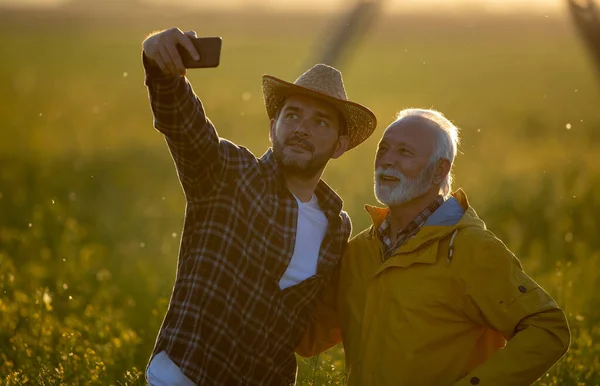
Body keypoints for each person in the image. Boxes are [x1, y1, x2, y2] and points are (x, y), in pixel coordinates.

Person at [140, 28, 377, 385]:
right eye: (293, 115)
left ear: (340, 145)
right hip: (184, 375)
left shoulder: (336, 226)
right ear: (272, 127)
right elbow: (182, 123)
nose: (301, 128)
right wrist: (159, 65)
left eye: (320, 121)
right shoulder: (227, 173)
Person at [297, 108, 571, 385]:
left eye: (405, 152)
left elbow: (548, 329)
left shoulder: (471, 249)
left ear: (440, 169)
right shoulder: (359, 252)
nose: (387, 161)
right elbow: (306, 338)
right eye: (384, 149)